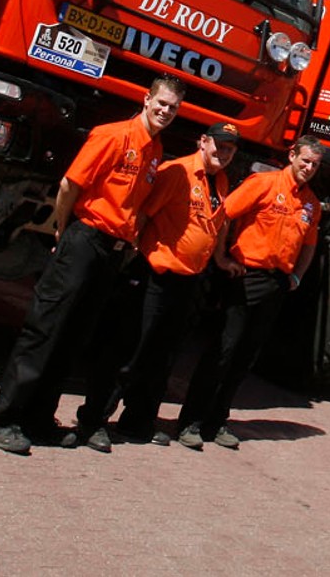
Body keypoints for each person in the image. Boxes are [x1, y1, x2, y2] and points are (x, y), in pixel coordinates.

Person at [0, 76, 184, 455]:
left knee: (73, 337)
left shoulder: (155, 149)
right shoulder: (112, 136)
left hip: (110, 252)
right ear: (146, 99)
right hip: (85, 239)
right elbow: (69, 186)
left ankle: (39, 419)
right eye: (161, 103)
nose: (165, 111)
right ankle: (2, 418)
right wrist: (63, 230)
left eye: (172, 108)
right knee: (46, 330)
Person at [172, 137, 324, 450]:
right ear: (292, 156)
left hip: (276, 284)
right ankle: (191, 422)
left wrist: (297, 276)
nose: (309, 168)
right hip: (245, 277)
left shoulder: (312, 204)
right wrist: (221, 258)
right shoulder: (264, 184)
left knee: (245, 357)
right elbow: (224, 214)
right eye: (305, 160)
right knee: (223, 351)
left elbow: (309, 245)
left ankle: (217, 422)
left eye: (315, 165)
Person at [96, 121, 238, 450]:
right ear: (203, 141)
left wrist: (219, 258)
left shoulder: (221, 181)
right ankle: (95, 420)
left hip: (189, 281)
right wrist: (132, 253)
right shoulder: (177, 172)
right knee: (132, 350)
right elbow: (144, 213)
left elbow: (218, 223)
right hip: (156, 275)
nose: (224, 153)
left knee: (162, 357)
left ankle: (138, 421)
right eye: (219, 145)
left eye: (230, 149)